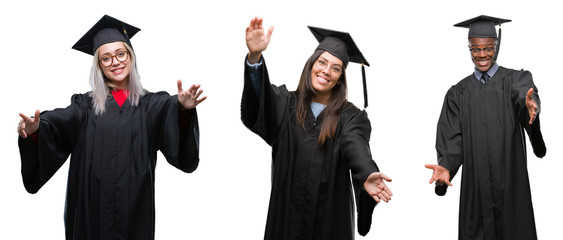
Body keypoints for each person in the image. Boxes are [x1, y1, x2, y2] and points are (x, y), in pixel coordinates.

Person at [16, 15, 205, 240]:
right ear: (98, 66)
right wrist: (36, 130)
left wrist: (182, 110)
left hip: (135, 215)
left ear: (131, 56)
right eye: (106, 58)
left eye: (120, 54)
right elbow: (55, 127)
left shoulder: (151, 106)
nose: (115, 62)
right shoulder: (84, 107)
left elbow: (174, 127)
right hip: (90, 216)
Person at [241, 17, 393, 240]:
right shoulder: (285, 104)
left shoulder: (350, 117)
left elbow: (356, 145)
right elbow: (258, 105)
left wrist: (367, 172)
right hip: (286, 221)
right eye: (322, 62)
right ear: (311, 64)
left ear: (341, 77)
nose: (326, 71)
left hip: (329, 223)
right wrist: (254, 58)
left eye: (335, 68)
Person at [425, 15, 546, 240]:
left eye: (488, 48)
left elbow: (525, 95)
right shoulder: (458, 94)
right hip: (476, 192)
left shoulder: (514, 80)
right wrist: (446, 167)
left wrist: (531, 106)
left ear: (496, 46)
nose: (482, 55)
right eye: (475, 49)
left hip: (511, 187)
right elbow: (452, 140)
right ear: (469, 48)